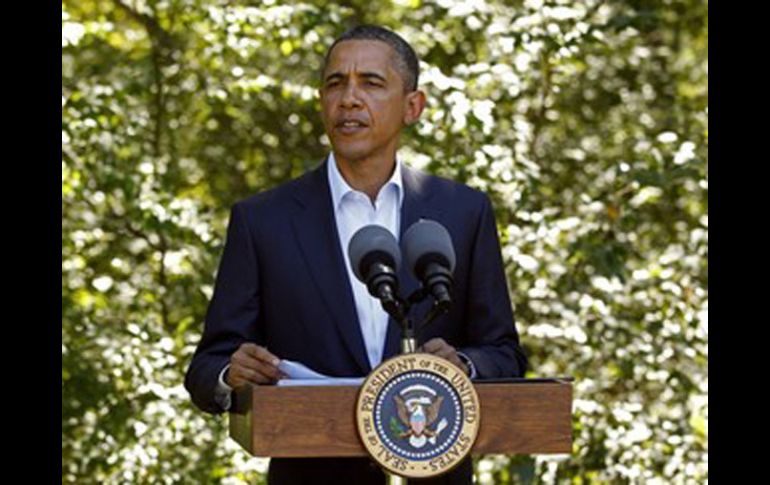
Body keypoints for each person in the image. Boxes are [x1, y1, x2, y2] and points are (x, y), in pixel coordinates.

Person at [185, 25, 527, 484]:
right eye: (334, 83)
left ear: (413, 107)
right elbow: (207, 369)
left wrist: (462, 366)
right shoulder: (263, 220)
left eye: (370, 82)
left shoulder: (463, 212)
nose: (349, 98)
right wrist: (232, 373)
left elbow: (504, 353)